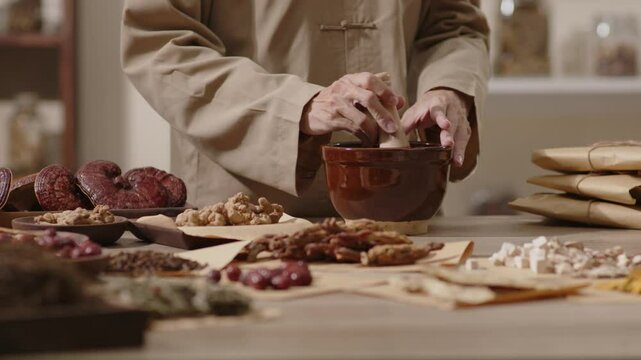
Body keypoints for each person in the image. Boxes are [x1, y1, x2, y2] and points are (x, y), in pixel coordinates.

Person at [121, 0, 490, 216]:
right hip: (246, 222)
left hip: (406, 215)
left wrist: (449, 88)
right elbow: (161, 43)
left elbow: (454, 27)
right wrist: (295, 108)